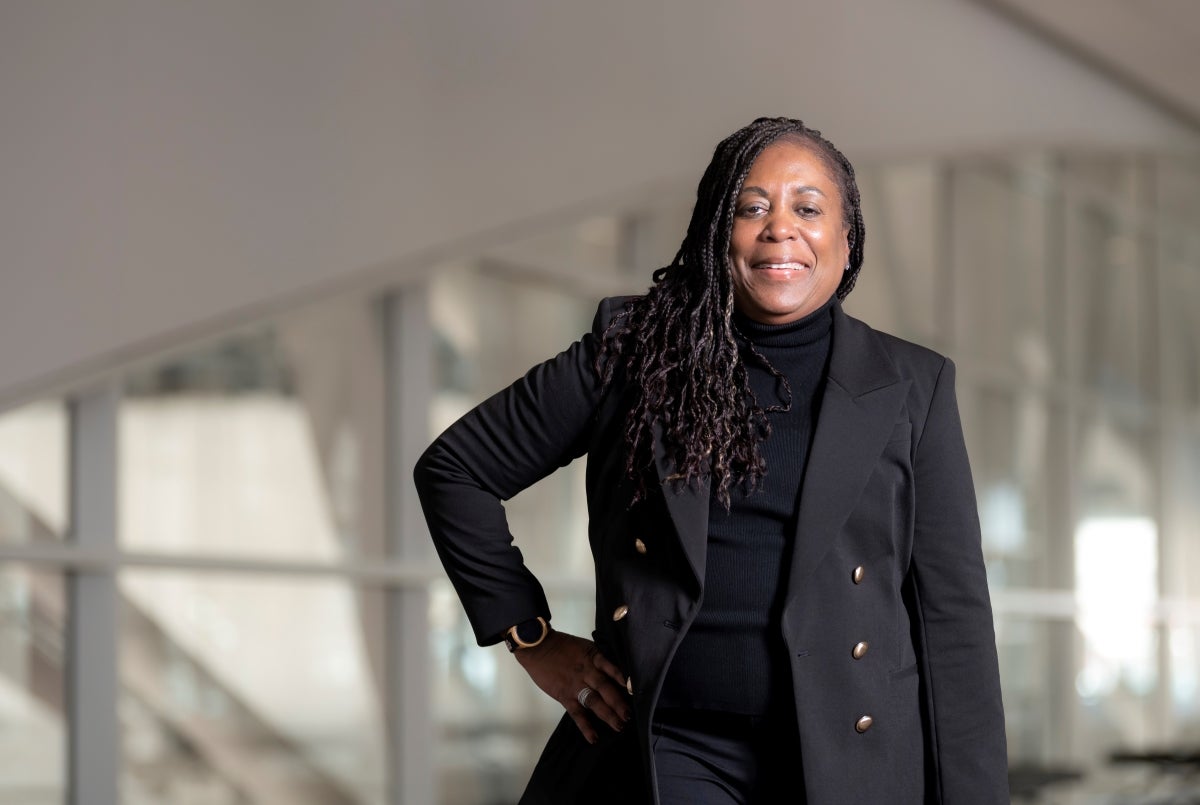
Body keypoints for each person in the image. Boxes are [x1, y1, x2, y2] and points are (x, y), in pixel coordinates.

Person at [413, 116, 1009, 804]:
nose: (779, 227)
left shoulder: (913, 385)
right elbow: (456, 468)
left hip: (855, 759)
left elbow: (953, 616)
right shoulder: (636, 352)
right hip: (673, 748)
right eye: (751, 207)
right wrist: (531, 636)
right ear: (714, 233)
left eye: (808, 208)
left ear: (847, 241)